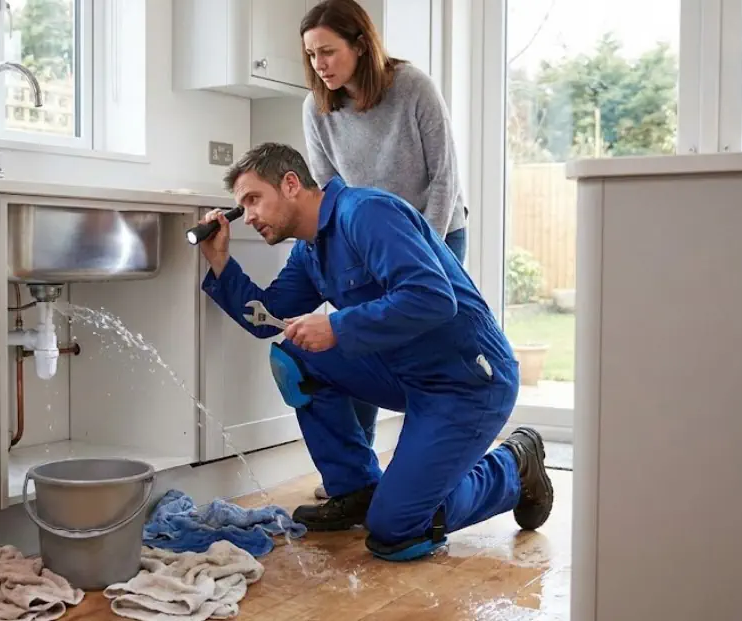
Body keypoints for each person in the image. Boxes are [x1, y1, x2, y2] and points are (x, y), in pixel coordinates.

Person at [198, 142, 552, 561]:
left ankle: (514, 464)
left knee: (398, 532)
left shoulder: (366, 214)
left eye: (253, 199)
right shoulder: (310, 250)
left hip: (467, 381)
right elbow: (266, 317)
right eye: (242, 206)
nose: (249, 216)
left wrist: (336, 326)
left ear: (291, 183)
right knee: (295, 355)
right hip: (406, 373)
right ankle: (358, 490)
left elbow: (434, 298)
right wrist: (220, 261)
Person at [299, 0, 471, 499]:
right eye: (312, 55)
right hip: (365, 245)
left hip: (435, 234)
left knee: (427, 350)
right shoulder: (317, 109)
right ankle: (358, 474)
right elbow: (328, 188)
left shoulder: (412, 86)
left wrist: (428, 254)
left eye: (328, 52)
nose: (320, 65)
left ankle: (428, 468)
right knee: (359, 340)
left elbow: (445, 175)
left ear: (360, 44)